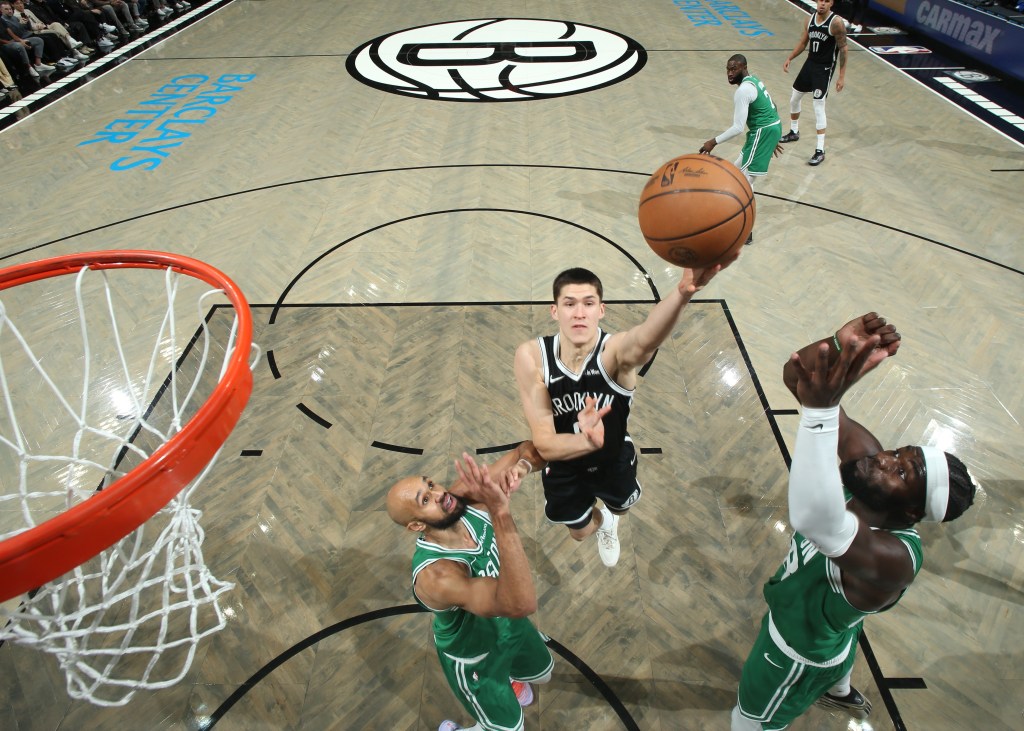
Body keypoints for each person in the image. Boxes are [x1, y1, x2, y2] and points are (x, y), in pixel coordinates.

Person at [730, 313, 978, 730]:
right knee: (845, 636)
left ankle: (821, 689)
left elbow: (815, 519)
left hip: (795, 653)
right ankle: (839, 692)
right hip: (831, 631)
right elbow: (798, 378)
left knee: (747, 722)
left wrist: (820, 413)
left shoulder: (896, 559)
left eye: (902, 472)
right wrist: (838, 347)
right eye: (899, 453)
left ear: (912, 513)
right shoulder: (868, 474)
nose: (885, 460)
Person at [514, 264, 724, 568]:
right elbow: (544, 443)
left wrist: (681, 294)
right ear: (554, 311)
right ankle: (602, 523)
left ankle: (612, 519)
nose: (579, 313)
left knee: (621, 508)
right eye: (569, 304)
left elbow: (644, 340)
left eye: (588, 303)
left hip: (612, 460)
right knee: (580, 532)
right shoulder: (532, 357)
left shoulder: (613, 353)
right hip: (565, 466)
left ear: (601, 310)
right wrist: (587, 442)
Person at [387, 443, 554, 731]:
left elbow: (528, 449)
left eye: (431, 484)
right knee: (508, 729)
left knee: (543, 673)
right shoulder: (437, 576)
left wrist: (522, 467)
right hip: (475, 656)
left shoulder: (459, 499)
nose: (440, 494)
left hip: (506, 623)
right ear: (416, 526)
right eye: (425, 500)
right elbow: (521, 602)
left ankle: (511, 677)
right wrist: (500, 511)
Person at [699, 53, 784, 189]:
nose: (730, 73)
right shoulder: (754, 80)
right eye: (728, 69)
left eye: (734, 69)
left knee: (744, 182)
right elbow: (774, 105)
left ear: (744, 68)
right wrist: (772, 136)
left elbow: (738, 128)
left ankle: (746, 209)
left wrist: (712, 142)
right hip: (767, 129)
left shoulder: (743, 91)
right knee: (735, 171)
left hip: (763, 131)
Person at [780, 0, 848, 166]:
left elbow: (844, 49)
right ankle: (794, 131)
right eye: (820, 0)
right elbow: (804, 42)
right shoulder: (809, 19)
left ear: (831, 3)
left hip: (824, 69)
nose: (822, 4)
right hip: (810, 64)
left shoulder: (836, 23)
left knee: (818, 106)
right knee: (794, 98)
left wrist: (841, 76)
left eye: (826, 1)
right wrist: (790, 57)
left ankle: (820, 150)